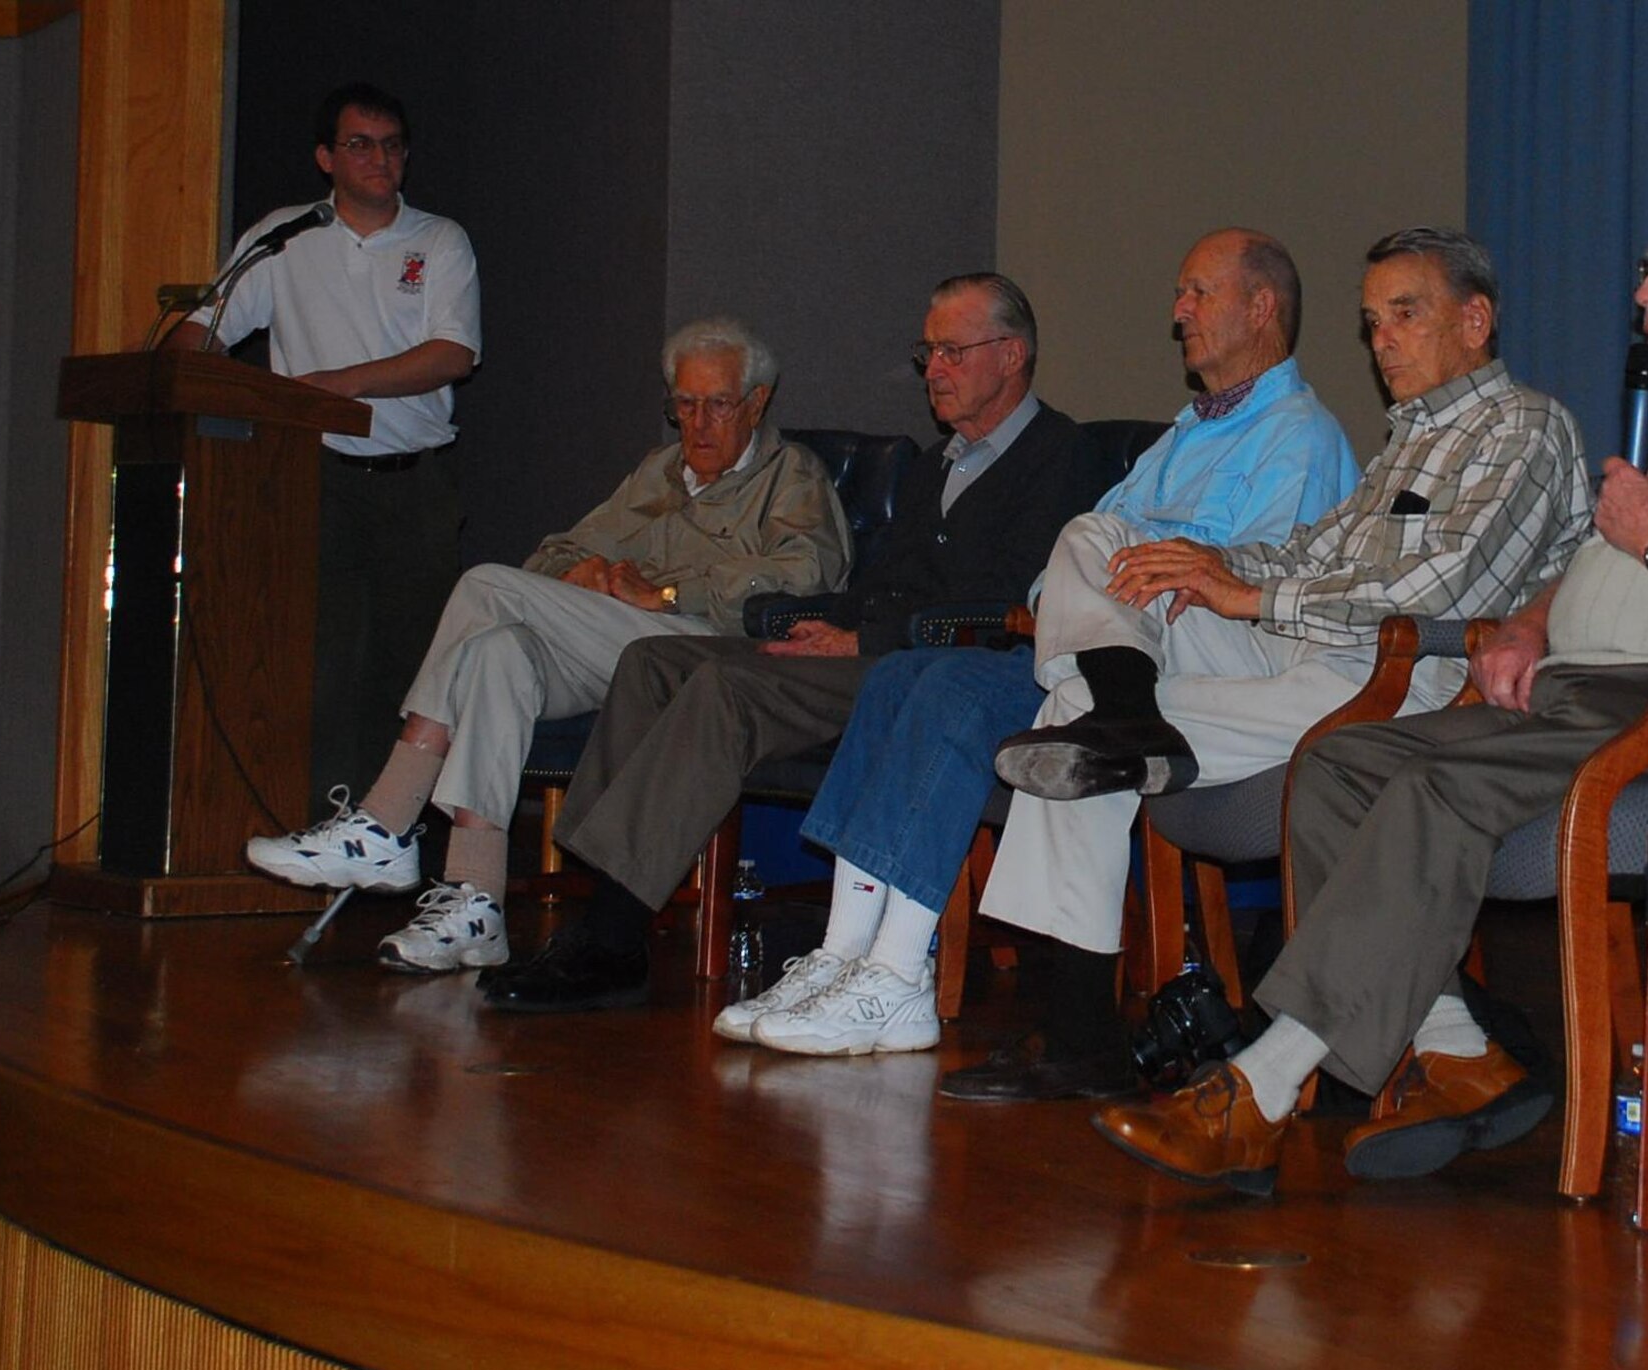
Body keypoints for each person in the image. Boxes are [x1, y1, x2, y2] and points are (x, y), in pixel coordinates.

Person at [1092, 182, 1648, 1196]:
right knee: (1340, 760)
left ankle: (1255, 1091)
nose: (1642, 296)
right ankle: (1460, 1054)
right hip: (1580, 693)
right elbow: (1610, 560)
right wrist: (1527, 622)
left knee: (1434, 786)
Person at [952, 226, 1594, 1103]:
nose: (1381, 342)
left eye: (1404, 315)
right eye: (1371, 323)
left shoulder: (1525, 427)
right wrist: (1210, 566)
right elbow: (1311, 548)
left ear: (1475, 320)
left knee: (1069, 721)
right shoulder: (1406, 440)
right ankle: (1124, 739)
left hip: (1400, 685)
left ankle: (1085, 1030)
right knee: (1099, 551)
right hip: (1309, 653)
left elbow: (1437, 586)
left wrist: (1246, 596)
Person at [734, 228, 1357, 1059]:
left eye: (1197, 293)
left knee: (967, 689)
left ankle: (899, 972)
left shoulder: (1302, 437)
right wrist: (1105, 577)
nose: (1178, 313)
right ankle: (847, 953)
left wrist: (1122, 571)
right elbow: (1056, 576)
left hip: (1206, 657)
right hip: (1106, 650)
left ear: (1261, 306)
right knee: (905, 677)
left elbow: (1254, 586)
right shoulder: (1184, 436)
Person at [481, 273, 1108, 1013]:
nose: (932, 369)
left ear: (1010, 356)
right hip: (865, 648)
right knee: (653, 659)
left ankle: (613, 938)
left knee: (724, 690)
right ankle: (602, 893)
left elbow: (1011, 600)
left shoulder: (1061, 455)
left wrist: (860, 636)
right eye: (927, 352)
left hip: (932, 671)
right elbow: (883, 584)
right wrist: (790, 618)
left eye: (951, 351)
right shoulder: (939, 463)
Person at [245, 319, 850, 972]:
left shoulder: (792, 475)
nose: (698, 423)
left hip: (709, 652)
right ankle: (475, 902)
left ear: (757, 402)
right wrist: (576, 573)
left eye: (719, 404)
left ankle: (386, 820)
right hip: (619, 648)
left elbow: (805, 574)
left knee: (483, 586)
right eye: (685, 403)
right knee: (495, 653)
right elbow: (556, 551)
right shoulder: (660, 473)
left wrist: (673, 594)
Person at [167, 82, 483, 806]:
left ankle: (397, 831)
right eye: (360, 145)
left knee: (414, 668)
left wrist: (338, 384)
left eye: (393, 145)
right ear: (325, 158)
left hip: (415, 484)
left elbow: (452, 356)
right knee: (319, 660)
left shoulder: (438, 240)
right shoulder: (283, 237)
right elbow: (206, 330)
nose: (380, 158)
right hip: (314, 479)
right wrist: (169, 372)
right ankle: (315, 819)